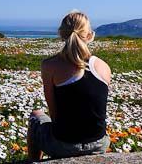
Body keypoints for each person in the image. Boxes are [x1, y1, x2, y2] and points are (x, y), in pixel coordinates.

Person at [27, 11, 111, 161]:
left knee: (36, 116)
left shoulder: (49, 65)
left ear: (61, 34)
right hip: (99, 144)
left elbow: (54, 113)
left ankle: (33, 161)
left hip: (63, 145)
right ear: (90, 35)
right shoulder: (103, 67)